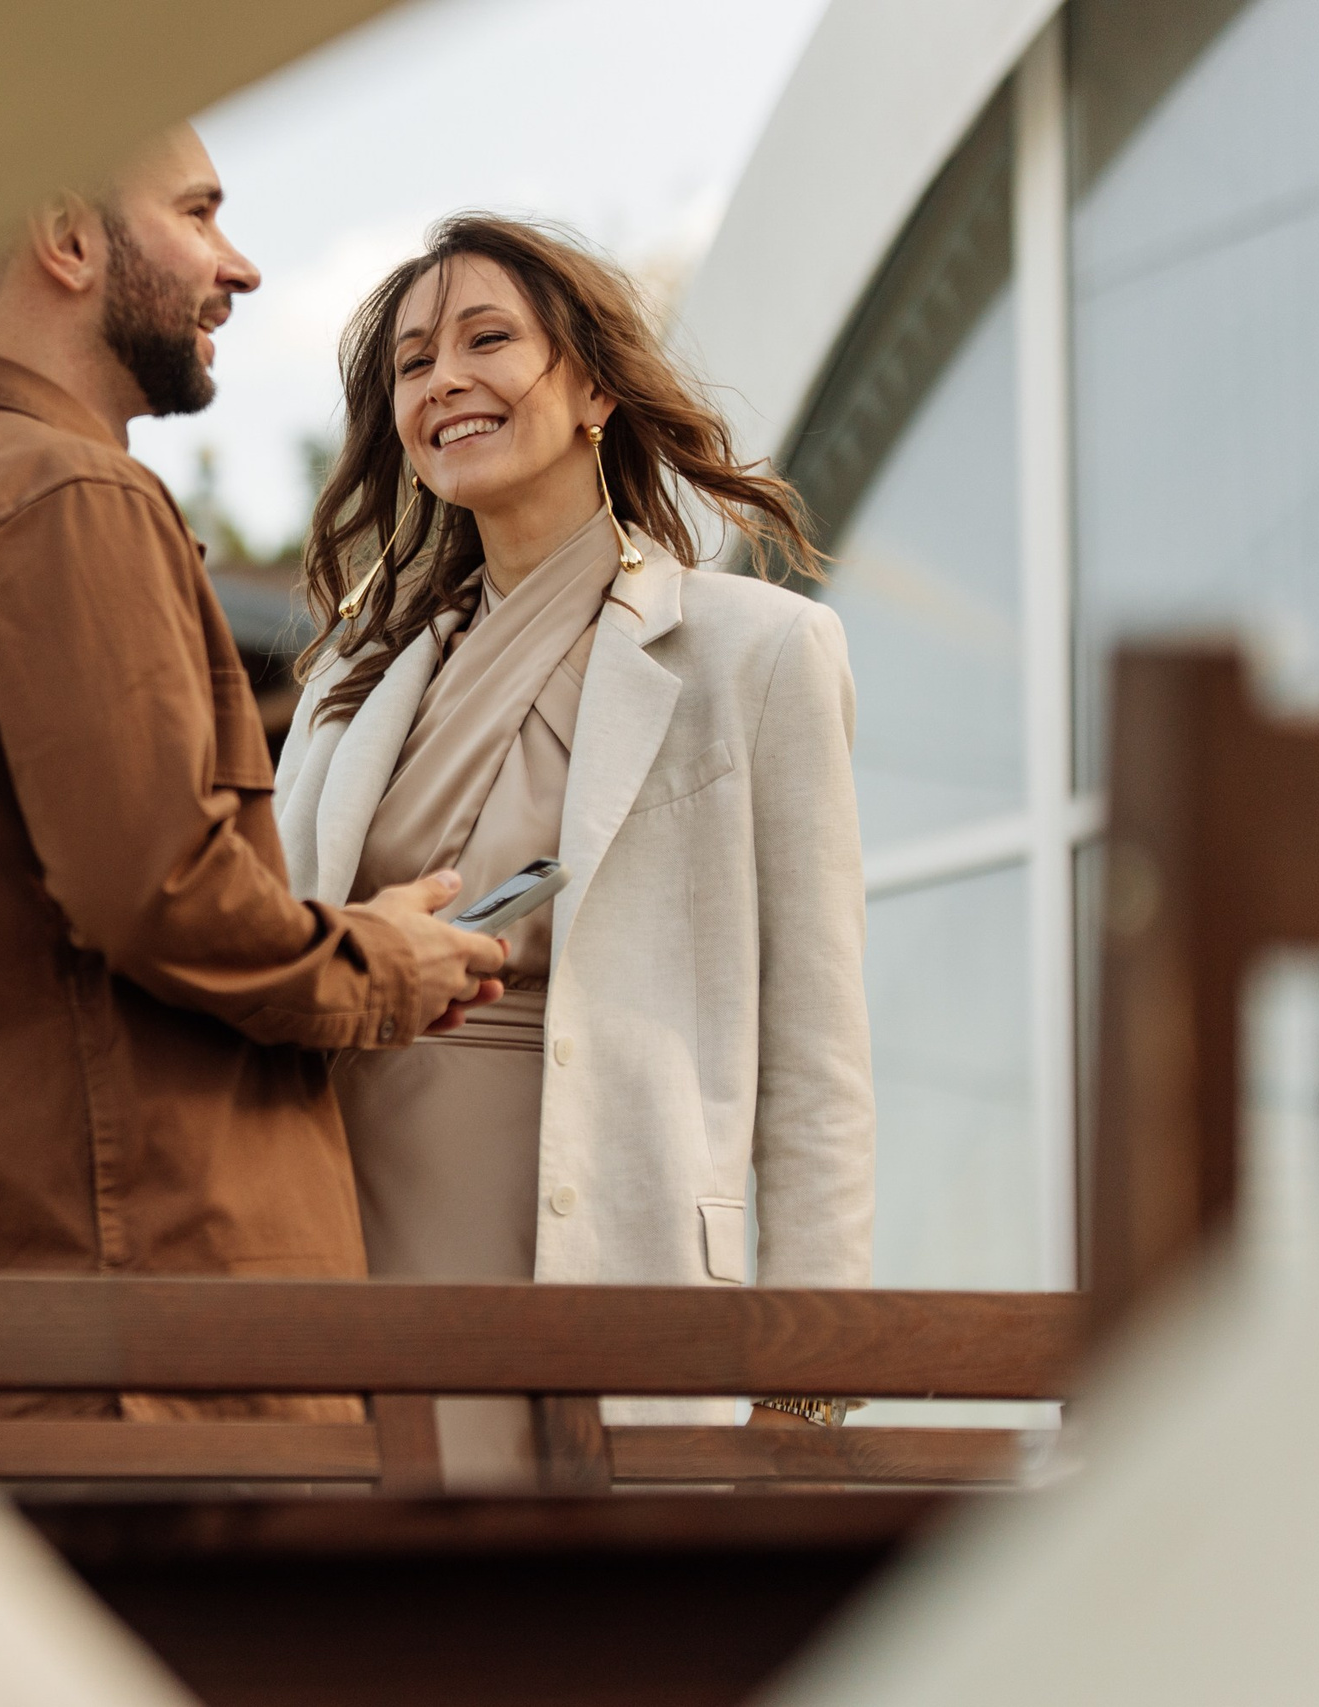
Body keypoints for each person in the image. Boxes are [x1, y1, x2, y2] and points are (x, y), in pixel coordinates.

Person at [0, 128, 507, 1421]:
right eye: (199, 214)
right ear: (68, 237)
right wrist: (387, 958)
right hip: (142, 1357)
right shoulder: (68, 497)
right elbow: (163, 893)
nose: (242, 267)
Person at [275, 215, 873, 1479]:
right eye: (412, 365)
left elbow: (816, 1051)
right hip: (351, 1218)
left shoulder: (755, 652)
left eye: (488, 340)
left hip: (615, 1221)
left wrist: (812, 1385)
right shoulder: (344, 682)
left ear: (594, 383)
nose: (444, 382)